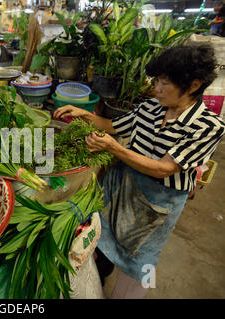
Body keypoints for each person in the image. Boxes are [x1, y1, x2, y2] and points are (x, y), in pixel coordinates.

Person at [54, 45, 225, 299]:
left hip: (158, 204)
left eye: (164, 83)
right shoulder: (150, 108)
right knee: (104, 237)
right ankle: (99, 278)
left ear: (193, 86)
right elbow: (113, 126)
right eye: (156, 81)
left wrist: (113, 149)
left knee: (141, 261)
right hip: (123, 187)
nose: (156, 88)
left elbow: (165, 169)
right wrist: (83, 114)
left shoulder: (208, 126)